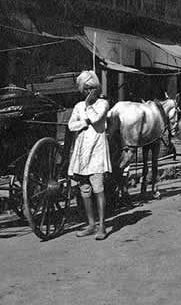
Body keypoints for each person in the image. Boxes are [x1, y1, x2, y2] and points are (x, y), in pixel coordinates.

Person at [68, 71, 111, 240]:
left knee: (98, 189)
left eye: (91, 88)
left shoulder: (102, 104)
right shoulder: (78, 106)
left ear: (96, 88)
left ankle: (102, 226)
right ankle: (91, 224)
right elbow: (72, 126)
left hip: (97, 152)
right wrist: (83, 121)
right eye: (85, 89)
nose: (88, 92)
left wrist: (88, 105)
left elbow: (96, 118)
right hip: (82, 153)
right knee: (84, 190)